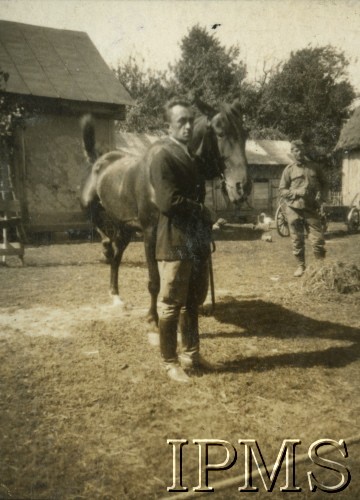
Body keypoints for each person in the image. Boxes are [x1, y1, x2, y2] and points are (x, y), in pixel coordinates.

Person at [149, 98, 214, 383]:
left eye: (190, 121)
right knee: (172, 303)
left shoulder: (190, 157)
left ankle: (191, 354)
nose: (188, 126)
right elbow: (167, 201)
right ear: (168, 126)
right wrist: (201, 210)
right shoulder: (163, 156)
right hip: (175, 240)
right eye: (181, 122)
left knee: (191, 303)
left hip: (195, 240)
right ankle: (170, 362)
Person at [279, 139, 329, 277]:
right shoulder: (289, 170)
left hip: (311, 209)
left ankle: (321, 267)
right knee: (297, 240)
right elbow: (282, 189)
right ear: (292, 152)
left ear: (305, 150)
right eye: (296, 150)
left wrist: (322, 196)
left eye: (301, 149)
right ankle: (301, 266)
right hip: (293, 209)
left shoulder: (315, 167)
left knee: (318, 239)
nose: (299, 153)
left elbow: (325, 184)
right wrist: (295, 192)